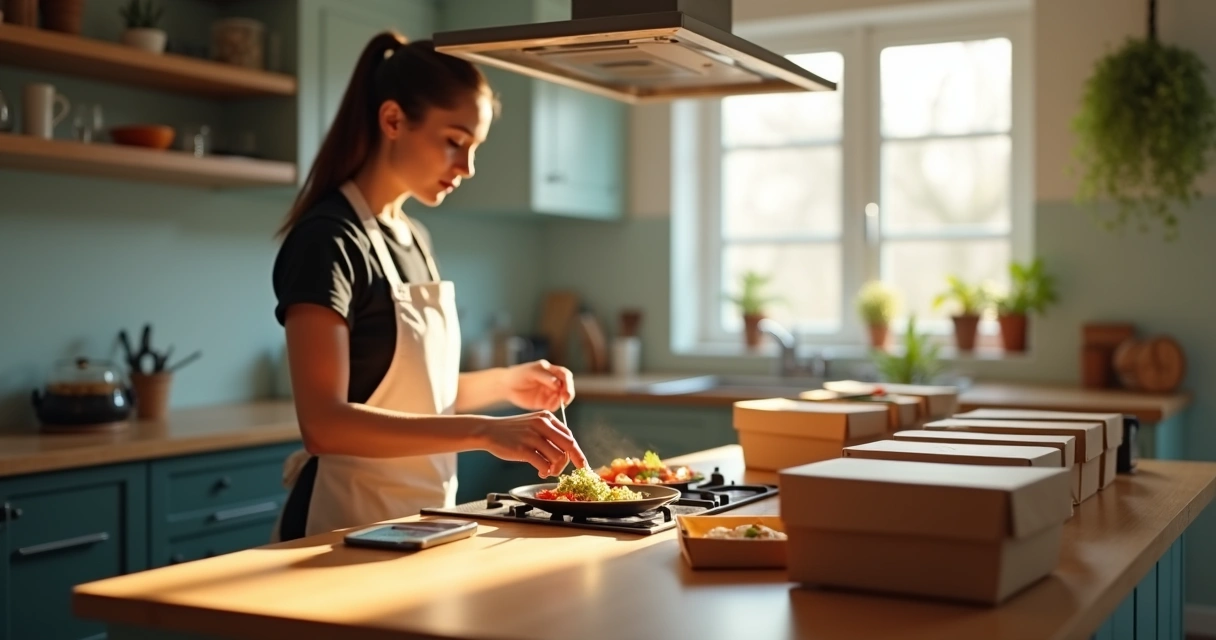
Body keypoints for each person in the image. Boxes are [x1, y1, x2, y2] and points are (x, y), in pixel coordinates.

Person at [270, 31, 588, 542]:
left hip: (422, 523)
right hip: (342, 529)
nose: (466, 168)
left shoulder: (412, 236)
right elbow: (324, 424)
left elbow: (416, 395)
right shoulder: (328, 240)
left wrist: (507, 383)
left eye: (474, 147)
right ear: (393, 120)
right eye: (454, 142)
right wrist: (485, 430)